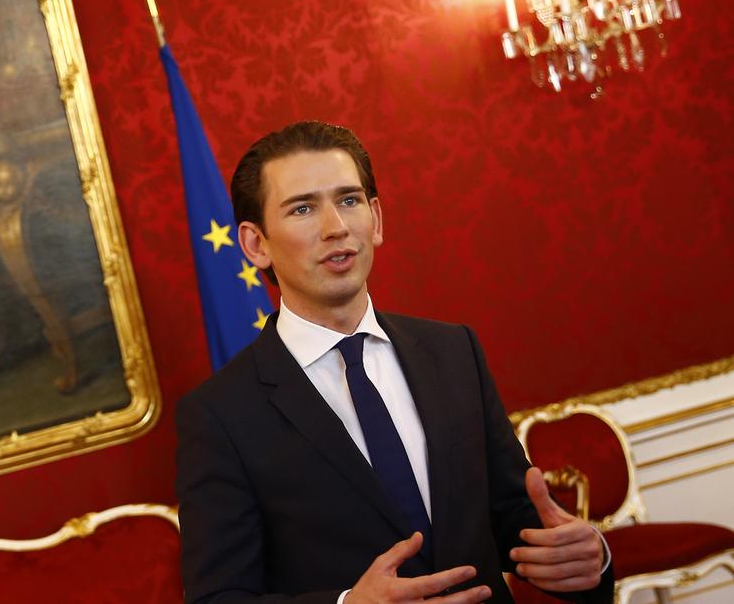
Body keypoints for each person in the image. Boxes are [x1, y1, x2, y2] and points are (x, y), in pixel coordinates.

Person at [175, 121, 612, 603]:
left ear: (376, 219)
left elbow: (514, 518)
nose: (336, 227)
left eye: (349, 200)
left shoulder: (454, 351)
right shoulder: (219, 415)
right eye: (303, 208)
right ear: (256, 244)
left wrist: (584, 555)